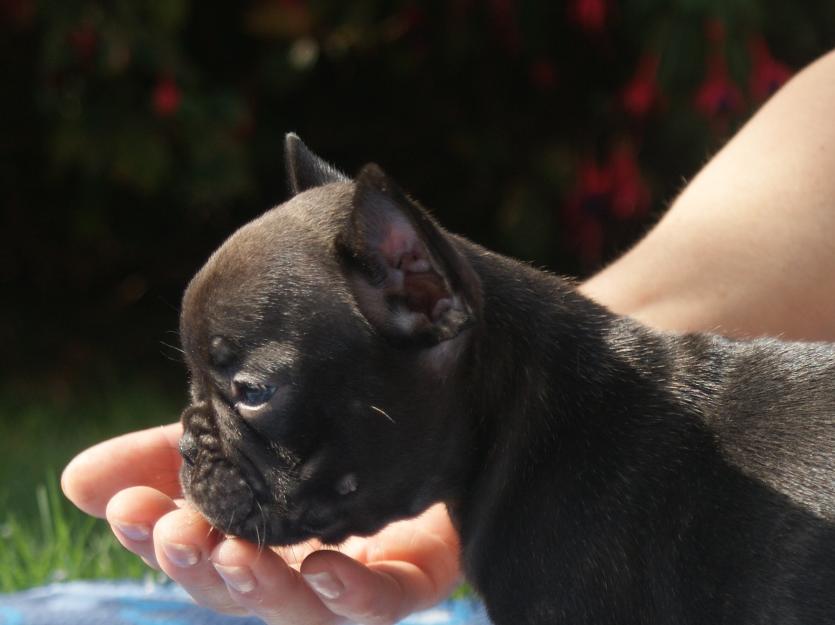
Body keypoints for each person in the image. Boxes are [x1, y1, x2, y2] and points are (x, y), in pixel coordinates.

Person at [62, 48, 835, 625]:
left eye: (251, 392)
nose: (201, 442)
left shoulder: (577, 537)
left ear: (423, 295)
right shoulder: (587, 472)